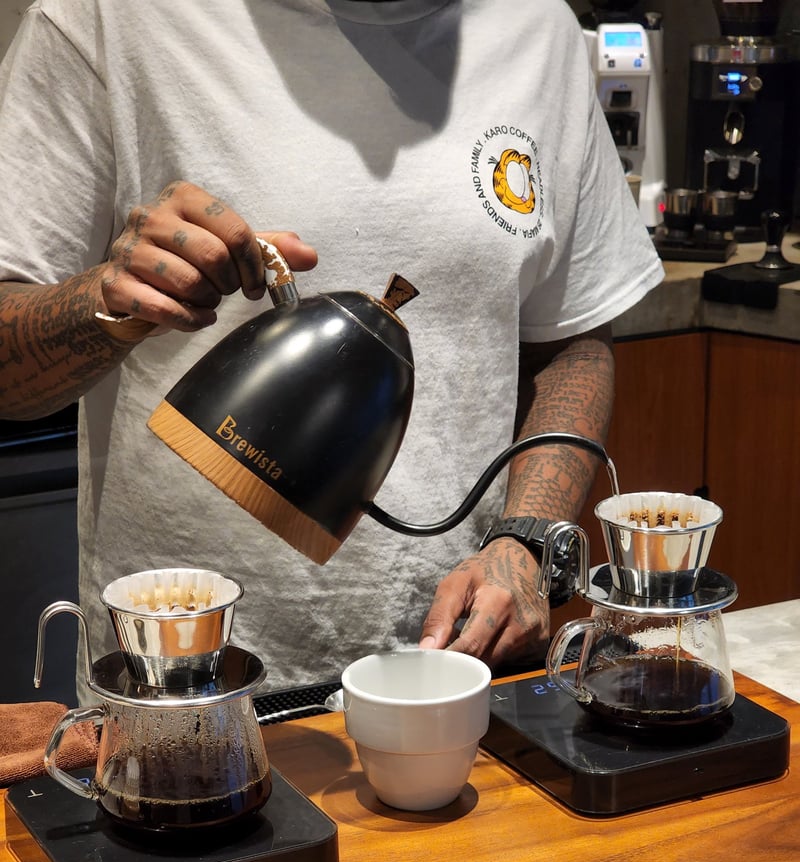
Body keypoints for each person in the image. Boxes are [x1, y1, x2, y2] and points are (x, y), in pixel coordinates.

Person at [0, 0, 663, 693]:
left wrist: (526, 542)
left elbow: (571, 342)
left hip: (455, 671)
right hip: (179, 680)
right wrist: (107, 301)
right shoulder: (110, 16)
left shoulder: (539, 28)